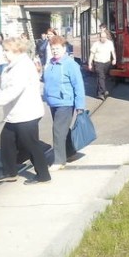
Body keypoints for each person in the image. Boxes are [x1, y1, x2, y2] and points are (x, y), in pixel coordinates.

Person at [0, 37, 51, 185]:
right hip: (16, 114)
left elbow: (14, 90)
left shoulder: (22, 66)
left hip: (26, 113)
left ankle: (43, 175)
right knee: (7, 140)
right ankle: (9, 172)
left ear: (17, 50)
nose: (4, 53)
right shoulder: (14, 65)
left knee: (31, 145)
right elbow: (5, 88)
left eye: (6, 50)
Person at [42, 35, 86, 171]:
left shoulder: (70, 65)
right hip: (53, 102)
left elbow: (78, 85)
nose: (55, 51)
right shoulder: (51, 63)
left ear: (64, 48)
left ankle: (59, 160)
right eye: (52, 48)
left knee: (57, 131)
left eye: (57, 48)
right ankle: (70, 152)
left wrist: (80, 106)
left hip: (65, 103)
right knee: (63, 130)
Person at [88, 31, 116, 100]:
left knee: (101, 78)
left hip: (107, 63)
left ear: (106, 37)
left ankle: (99, 93)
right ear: (99, 37)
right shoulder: (96, 44)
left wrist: (114, 59)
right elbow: (92, 54)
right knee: (101, 77)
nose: (103, 38)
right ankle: (104, 90)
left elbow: (112, 52)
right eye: (102, 37)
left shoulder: (110, 43)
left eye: (104, 37)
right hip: (98, 63)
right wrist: (89, 63)